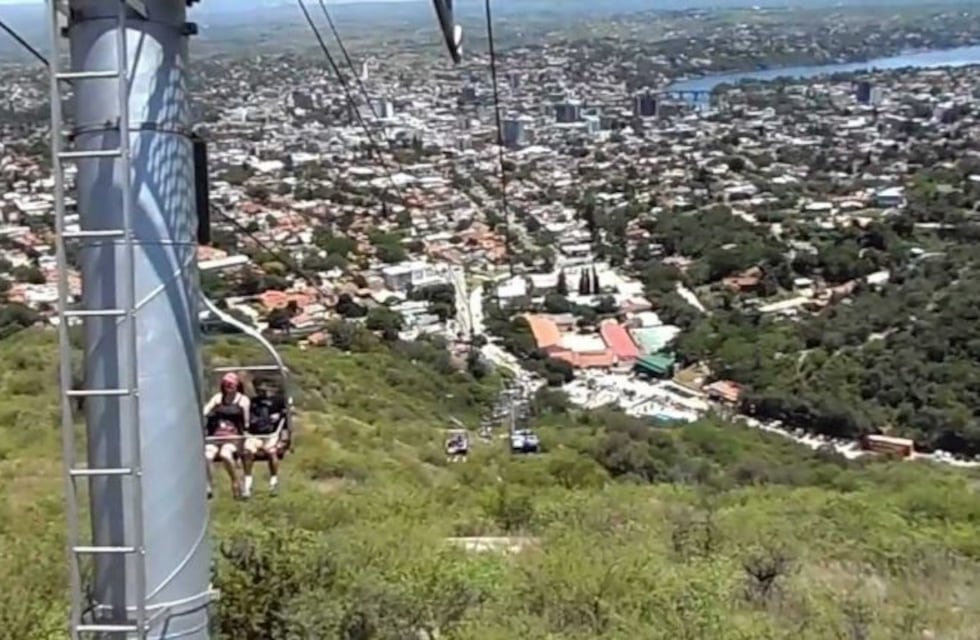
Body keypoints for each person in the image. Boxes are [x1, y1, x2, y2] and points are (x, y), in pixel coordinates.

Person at [203, 372, 250, 499]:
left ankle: (235, 481)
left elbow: (246, 423)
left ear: (236, 385)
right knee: (206, 456)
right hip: (217, 435)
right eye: (225, 385)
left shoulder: (243, 400)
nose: (228, 387)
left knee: (225, 454)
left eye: (231, 385)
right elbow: (206, 410)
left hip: (233, 437)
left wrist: (243, 439)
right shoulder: (218, 398)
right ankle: (209, 485)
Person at [241, 380, 286, 497]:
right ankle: (247, 483)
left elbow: (287, 414)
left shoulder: (277, 401)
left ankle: (273, 482)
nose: (261, 390)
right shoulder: (252, 402)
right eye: (258, 388)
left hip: (270, 434)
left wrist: (279, 415)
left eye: (263, 388)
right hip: (254, 435)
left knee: (271, 452)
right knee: (247, 453)